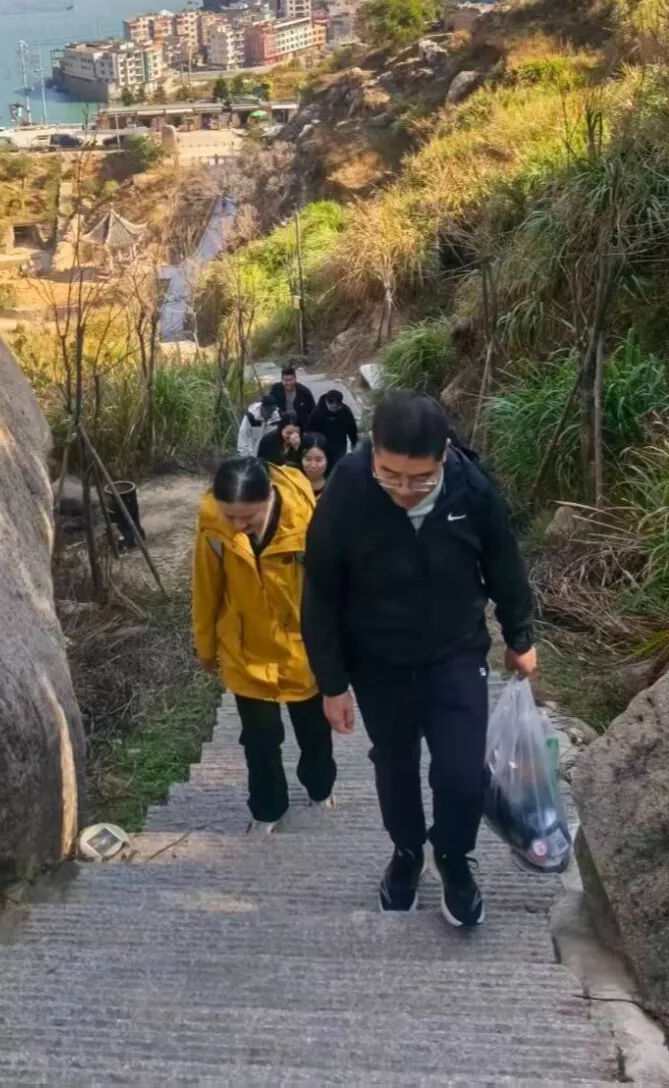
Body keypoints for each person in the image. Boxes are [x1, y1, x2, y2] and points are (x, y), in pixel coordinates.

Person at [302, 390, 536, 928]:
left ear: (445, 454)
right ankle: (406, 852)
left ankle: (453, 857)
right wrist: (332, 683)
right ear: (372, 448)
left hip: (455, 651)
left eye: (420, 478)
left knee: (461, 773)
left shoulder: (471, 489)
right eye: (390, 475)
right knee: (394, 763)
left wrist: (520, 637)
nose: (404, 490)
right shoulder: (349, 488)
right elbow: (320, 592)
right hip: (378, 660)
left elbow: (505, 565)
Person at [193, 457, 336, 830]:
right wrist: (205, 646)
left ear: (270, 496)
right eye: (230, 516)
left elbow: (332, 590)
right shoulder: (213, 525)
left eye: (248, 518)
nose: (238, 526)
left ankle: (320, 786)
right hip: (245, 650)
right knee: (260, 740)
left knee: (314, 732)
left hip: (302, 650)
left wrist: (337, 650)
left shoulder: (305, 521)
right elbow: (206, 586)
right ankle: (267, 809)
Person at [307, 389, 359, 465]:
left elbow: (352, 430)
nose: (333, 406)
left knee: (338, 466)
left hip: (339, 446)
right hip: (322, 446)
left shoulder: (345, 412)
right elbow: (310, 430)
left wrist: (354, 445)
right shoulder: (317, 412)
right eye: (330, 402)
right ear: (326, 401)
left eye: (336, 404)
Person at [269, 365, 316, 430]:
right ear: (282, 379)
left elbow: (313, 411)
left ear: (295, 379)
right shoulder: (276, 389)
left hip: (300, 425)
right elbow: (270, 404)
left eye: (291, 380)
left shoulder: (304, 391)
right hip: (282, 423)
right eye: (285, 380)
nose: (288, 383)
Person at [298, 432, 330, 497]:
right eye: (308, 459)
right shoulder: (292, 483)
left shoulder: (335, 486)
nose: (313, 465)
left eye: (318, 460)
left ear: (327, 459)